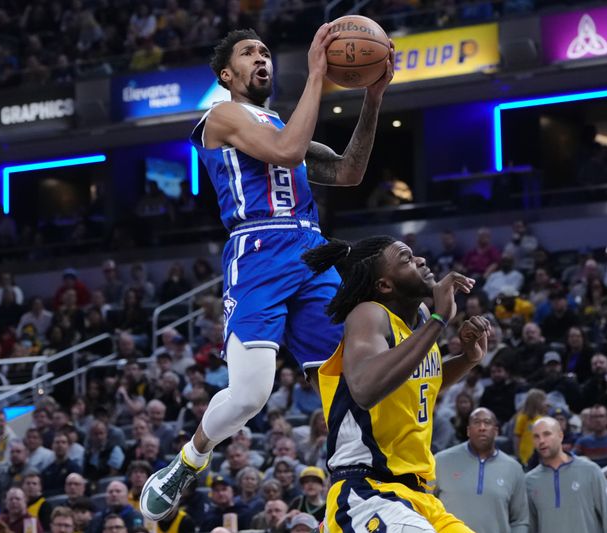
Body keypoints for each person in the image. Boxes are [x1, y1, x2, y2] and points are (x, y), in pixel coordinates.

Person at [140, 23, 395, 521]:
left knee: (350, 374)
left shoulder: (282, 123)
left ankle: (361, 482)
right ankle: (189, 458)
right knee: (252, 394)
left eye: (265, 52)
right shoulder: (223, 115)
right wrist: (319, 75)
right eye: (249, 53)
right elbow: (286, 153)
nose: (262, 59)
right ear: (226, 73)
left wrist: (373, 97)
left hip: (310, 249)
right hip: (256, 250)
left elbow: (349, 172)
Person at [302, 235, 491, 532]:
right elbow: (365, 390)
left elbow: (415, 385)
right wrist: (440, 319)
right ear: (385, 285)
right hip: (367, 490)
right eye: (406, 259)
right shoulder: (369, 315)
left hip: (418, 497)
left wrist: (467, 358)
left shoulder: (421, 318)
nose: (421, 260)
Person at [435, 407, 528, 532]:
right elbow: (425, 507)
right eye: (476, 422)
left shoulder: (514, 469)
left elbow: (520, 520)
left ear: (496, 431)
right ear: (468, 430)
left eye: (487, 422)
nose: (482, 427)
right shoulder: (441, 461)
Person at [526, 417, 607, 533]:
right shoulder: (529, 481)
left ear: (560, 436)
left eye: (547, 434)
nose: (541, 440)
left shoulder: (590, 470)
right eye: (536, 436)